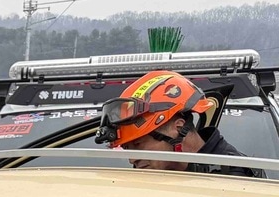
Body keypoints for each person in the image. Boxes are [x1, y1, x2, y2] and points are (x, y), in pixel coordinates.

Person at [96, 70, 264, 177]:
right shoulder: (160, 175)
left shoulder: (236, 178)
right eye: (127, 149)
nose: (132, 159)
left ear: (178, 128)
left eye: (138, 144)